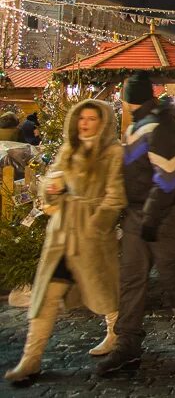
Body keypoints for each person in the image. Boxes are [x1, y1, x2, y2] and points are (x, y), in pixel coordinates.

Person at [5, 100, 126, 383]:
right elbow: (49, 186)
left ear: (103, 122)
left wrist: (96, 225)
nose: (85, 123)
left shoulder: (113, 153)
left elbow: (115, 197)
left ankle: (116, 337)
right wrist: (52, 189)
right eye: (81, 117)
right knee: (45, 297)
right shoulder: (67, 150)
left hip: (92, 237)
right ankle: (31, 359)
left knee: (104, 292)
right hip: (61, 236)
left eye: (91, 118)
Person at [96, 73, 175, 376]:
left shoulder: (162, 126)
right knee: (131, 279)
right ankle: (127, 342)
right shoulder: (137, 125)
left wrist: (151, 218)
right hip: (139, 213)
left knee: (172, 275)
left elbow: (166, 178)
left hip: (165, 216)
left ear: (128, 100)